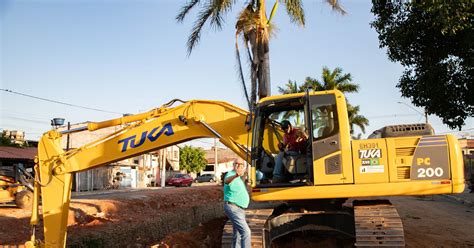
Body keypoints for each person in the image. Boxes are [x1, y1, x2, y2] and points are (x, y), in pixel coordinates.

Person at [223, 159, 251, 248]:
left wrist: (243, 175)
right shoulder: (231, 175)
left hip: (239, 208)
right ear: (234, 165)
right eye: (237, 164)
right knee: (246, 232)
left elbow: (241, 179)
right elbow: (227, 181)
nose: (239, 166)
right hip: (233, 207)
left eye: (242, 165)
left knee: (238, 233)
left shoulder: (239, 178)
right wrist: (236, 175)